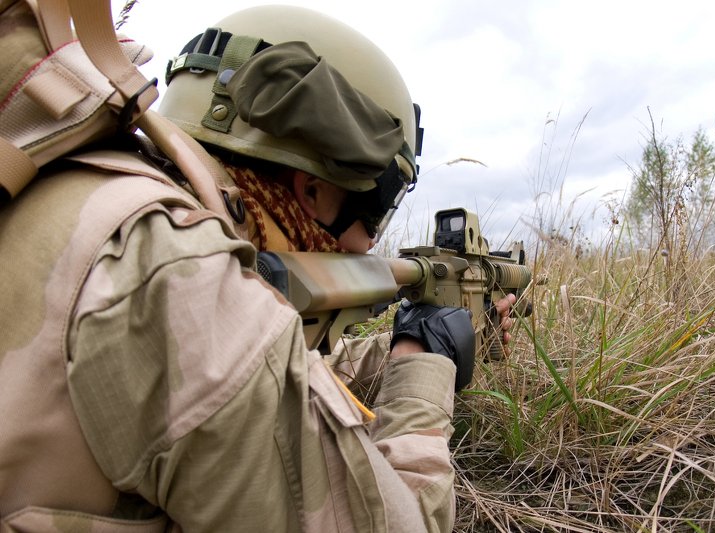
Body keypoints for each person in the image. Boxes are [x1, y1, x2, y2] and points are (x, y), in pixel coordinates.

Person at [0, 4, 515, 532]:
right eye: (378, 209)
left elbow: (273, 384)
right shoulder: (180, 271)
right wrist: (421, 365)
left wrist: (417, 344)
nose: (370, 243)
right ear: (313, 190)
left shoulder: (83, 197)